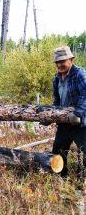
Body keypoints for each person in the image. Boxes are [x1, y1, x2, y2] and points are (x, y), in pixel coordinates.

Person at [51, 46, 86, 182]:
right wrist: (51, 115)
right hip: (65, 121)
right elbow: (56, 100)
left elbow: (85, 95)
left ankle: (83, 180)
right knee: (58, 150)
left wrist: (78, 113)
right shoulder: (56, 78)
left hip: (81, 122)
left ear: (71, 60)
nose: (60, 65)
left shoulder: (80, 74)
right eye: (57, 62)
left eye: (63, 61)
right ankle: (62, 178)